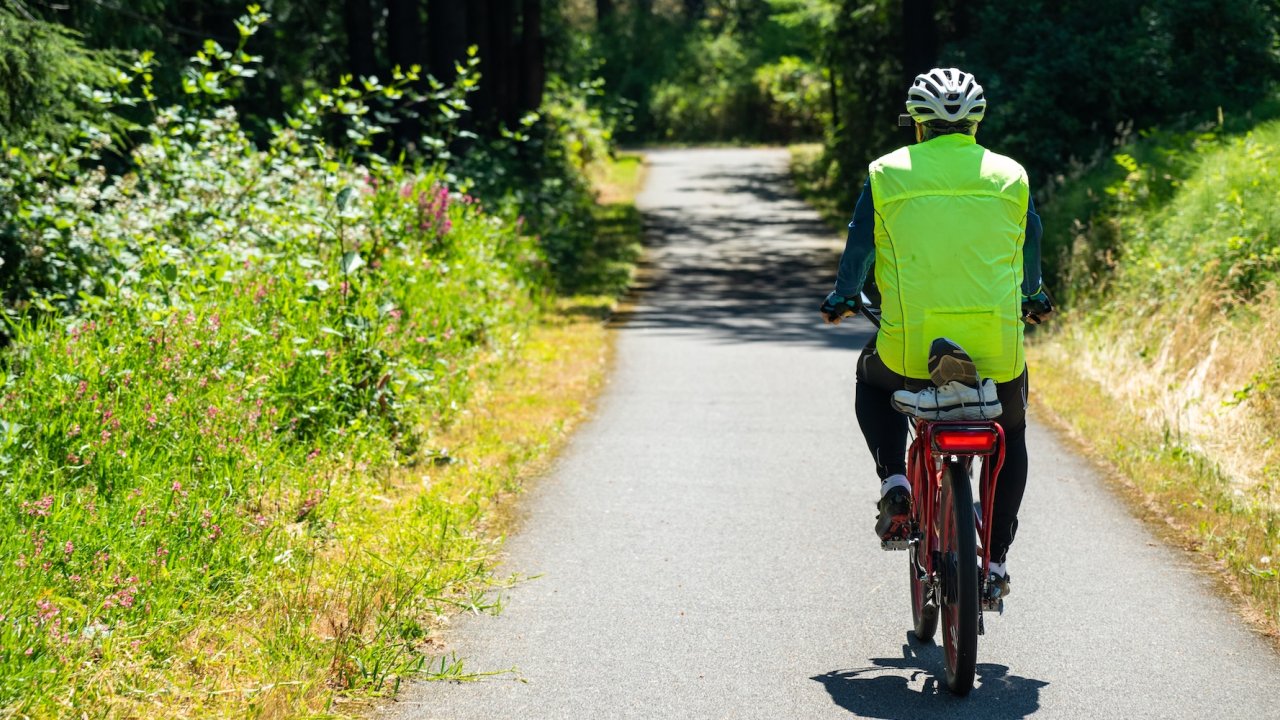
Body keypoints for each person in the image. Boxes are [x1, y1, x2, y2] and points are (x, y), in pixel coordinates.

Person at [818, 67, 1054, 599]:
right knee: (1009, 433)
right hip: (995, 346)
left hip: (910, 347)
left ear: (916, 123)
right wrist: (1033, 295)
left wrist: (842, 296)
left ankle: (895, 483)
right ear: (978, 122)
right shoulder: (1010, 175)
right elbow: (1029, 244)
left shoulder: (886, 173)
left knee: (870, 378)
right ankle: (993, 563)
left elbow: (860, 248)